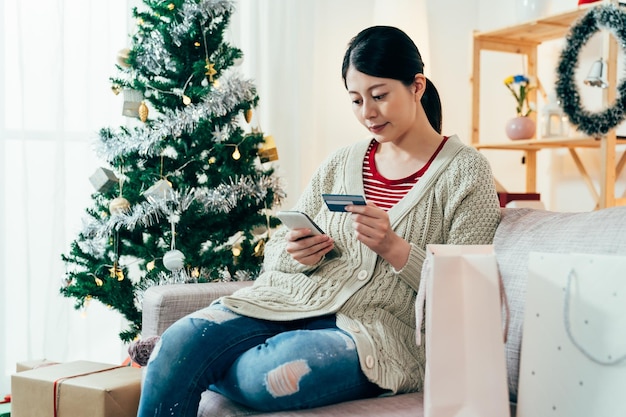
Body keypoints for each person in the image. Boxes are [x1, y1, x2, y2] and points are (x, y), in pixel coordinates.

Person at [136, 25, 501, 417]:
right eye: (356, 100)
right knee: (182, 339)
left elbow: (468, 296)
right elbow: (278, 248)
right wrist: (297, 252)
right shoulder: (341, 162)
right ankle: (179, 353)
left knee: (266, 375)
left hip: (376, 336)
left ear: (416, 86)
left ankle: (183, 360)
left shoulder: (466, 172)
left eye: (379, 96)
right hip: (290, 303)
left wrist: (396, 250)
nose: (368, 113)